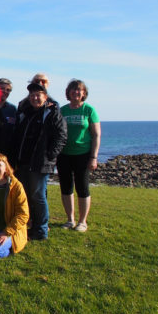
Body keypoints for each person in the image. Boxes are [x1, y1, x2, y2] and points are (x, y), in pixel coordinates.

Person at [10, 82, 67, 240]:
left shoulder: (52, 112)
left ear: (45, 96)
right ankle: (29, 226)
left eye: (38, 95)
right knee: (26, 195)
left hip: (40, 163)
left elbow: (61, 136)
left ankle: (41, 230)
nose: (35, 98)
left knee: (38, 196)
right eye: (32, 95)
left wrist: (50, 155)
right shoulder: (26, 113)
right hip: (23, 162)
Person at [58, 79, 101, 232]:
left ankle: (82, 221)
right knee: (66, 187)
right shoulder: (62, 110)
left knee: (82, 188)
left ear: (84, 93)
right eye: (73, 90)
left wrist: (94, 157)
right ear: (68, 93)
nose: (76, 92)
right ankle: (70, 219)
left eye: (79, 90)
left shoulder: (89, 110)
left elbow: (96, 135)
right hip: (63, 154)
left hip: (83, 154)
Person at [0, 78, 16, 156]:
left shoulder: (12, 109)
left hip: (6, 153)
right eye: (2, 88)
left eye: (8, 90)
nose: (5, 91)